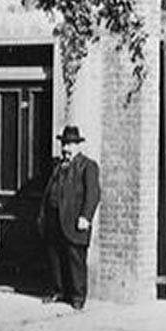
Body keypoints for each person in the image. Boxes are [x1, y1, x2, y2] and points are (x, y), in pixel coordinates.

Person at [39, 125, 100, 310]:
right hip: (55, 219)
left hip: (75, 221)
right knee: (56, 257)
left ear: (79, 146)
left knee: (75, 258)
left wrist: (86, 217)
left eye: (71, 144)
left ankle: (78, 296)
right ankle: (59, 291)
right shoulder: (58, 166)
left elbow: (93, 193)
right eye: (65, 144)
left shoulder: (87, 166)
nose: (66, 148)